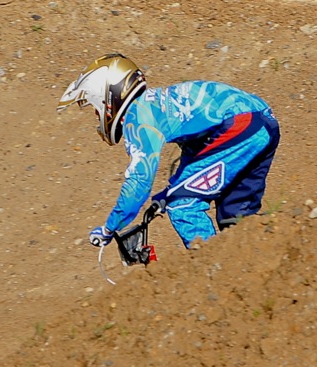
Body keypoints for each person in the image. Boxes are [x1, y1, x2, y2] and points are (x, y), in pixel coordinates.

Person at [57, 54, 281, 249]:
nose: (98, 118)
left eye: (96, 110)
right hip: (262, 121)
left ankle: (212, 270)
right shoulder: (160, 104)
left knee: (183, 204)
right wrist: (167, 193)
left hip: (241, 125)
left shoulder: (138, 117)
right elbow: (197, 157)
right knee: (236, 219)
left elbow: (139, 180)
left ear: (108, 99)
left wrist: (109, 227)